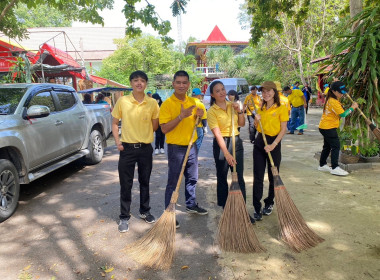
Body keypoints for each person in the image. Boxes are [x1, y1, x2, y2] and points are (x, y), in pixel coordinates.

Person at [111, 70, 160, 233]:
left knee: (145, 181)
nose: (139, 83)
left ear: (146, 84)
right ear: (131, 83)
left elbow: (155, 126)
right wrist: (118, 143)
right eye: (136, 80)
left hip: (145, 148)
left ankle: (145, 211)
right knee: (126, 183)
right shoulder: (123, 101)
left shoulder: (152, 103)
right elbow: (114, 123)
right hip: (127, 149)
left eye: (142, 80)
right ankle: (124, 216)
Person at [159, 70, 207, 228]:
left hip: (191, 146)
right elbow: (164, 129)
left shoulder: (196, 103)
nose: (181, 85)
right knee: (174, 181)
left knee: (192, 178)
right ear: (173, 84)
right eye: (178, 82)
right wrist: (181, 116)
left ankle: (191, 204)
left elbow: (198, 122)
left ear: (188, 85)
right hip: (175, 148)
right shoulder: (167, 105)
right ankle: (169, 211)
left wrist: (198, 116)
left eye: (184, 82)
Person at [207, 81, 254, 222]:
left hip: (236, 141)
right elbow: (217, 134)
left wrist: (239, 111)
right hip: (222, 144)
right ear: (212, 94)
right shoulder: (211, 111)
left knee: (238, 177)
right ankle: (226, 209)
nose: (222, 92)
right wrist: (226, 153)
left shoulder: (233, 105)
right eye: (218, 91)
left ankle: (242, 210)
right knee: (222, 177)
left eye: (223, 89)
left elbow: (241, 124)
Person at [252, 81, 289, 221]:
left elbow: (283, 129)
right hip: (260, 142)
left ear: (274, 92)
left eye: (269, 91)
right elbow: (257, 127)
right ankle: (257, 207)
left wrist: (273, 145)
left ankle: (269, 202)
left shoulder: (281, 108)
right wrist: (256, 120)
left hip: (273, 143)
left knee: (273, 175)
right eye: (263, 91)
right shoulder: (260, 108)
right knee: (258, 176)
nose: (266, 93)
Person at [318, 81, 358, 176]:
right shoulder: (333, 101)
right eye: (340, 92)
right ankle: (335, 167)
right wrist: (353, 107)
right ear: (334, 91)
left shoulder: (332, 98)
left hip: (324, 126)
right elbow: (343, 114)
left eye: (343, 92)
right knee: (336, 146)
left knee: (327, 147)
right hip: (328, 128)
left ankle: (322, 165)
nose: (342, 94)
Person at [192, 88, 208, 152]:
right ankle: (194, 156)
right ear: (199, 95)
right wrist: (205, 127)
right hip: (198, 126)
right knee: (198, 141)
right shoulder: (200, 104)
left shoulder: (188, 102)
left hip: (189, 126)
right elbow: (204, 118)